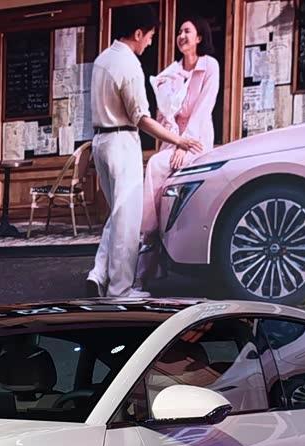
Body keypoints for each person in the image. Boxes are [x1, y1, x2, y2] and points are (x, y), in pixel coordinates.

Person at [85, 4, 204, 300]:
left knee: (117, 214)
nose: (150, 42)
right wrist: (178, 140)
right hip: (121, 142)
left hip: (100, 141)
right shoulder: (129, 65)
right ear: (138, 34)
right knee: (127, 221)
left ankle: (98, 274)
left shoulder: (102, 59)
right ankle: (120, 290)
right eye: (150, 36)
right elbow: (141, 118)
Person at [136, 15, 219, 291]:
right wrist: (176, 140)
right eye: (179, 32)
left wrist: (186, 143)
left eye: (187, 31)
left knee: (168, 171)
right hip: (174, 141)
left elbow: (204, 107)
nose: (181, 36)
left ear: (199, 37)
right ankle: (149, 239)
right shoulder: (169, 74)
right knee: (157, 168)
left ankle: (155, 243)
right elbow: (164, 115)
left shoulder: (210, 67)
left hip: (197, 141)